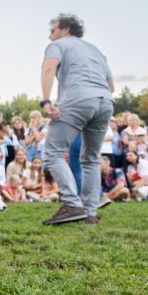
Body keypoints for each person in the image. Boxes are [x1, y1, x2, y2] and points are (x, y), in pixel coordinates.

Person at [39, 13, 115, 225]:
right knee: (91, 158)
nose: (50, 36)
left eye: (52, 30)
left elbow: (48, 69)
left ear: (64, 28)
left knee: (52, 152)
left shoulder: (58, 45)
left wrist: (46, 101)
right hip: (105, 101)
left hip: (77, 99)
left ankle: (72, 204)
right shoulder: (97, 51)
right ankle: (89, 212)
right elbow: (112, 86)